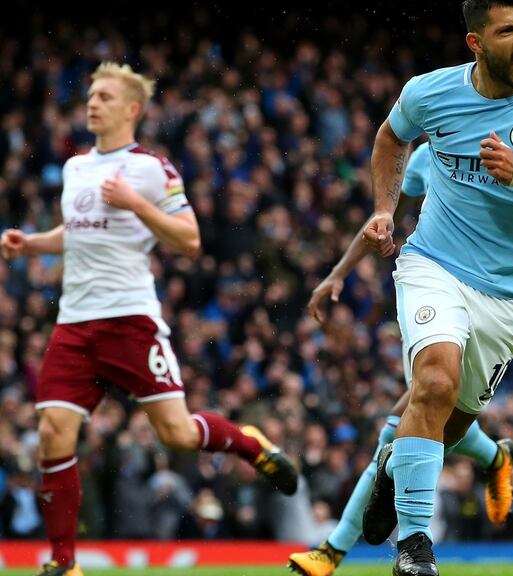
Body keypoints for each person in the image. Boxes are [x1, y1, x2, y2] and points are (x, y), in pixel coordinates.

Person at [0, 62, 298, 576]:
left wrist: (136, 202)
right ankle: (64, 563)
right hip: (75, 324)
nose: (92, 103)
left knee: (178, 436)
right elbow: (78, 232)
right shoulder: (75, 168)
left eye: (105, 97)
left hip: (130, 321)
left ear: (132, 109)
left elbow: (189, 238)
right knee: (52, 432)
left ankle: (251, 444)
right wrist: (33, 245)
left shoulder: (151, 169)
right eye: (91, 95)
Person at [359, 1, 513, 572]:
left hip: (507, 293)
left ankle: (392, 467)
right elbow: (390, 139)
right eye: (508, 30)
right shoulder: (430, 92)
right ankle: (415, 546)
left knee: (452, 423)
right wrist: (384, 208)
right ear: (476, 43)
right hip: (433, 263)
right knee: (435, 381)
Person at [289, 142, 513, 575]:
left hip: (499, 308)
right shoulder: (432, 155)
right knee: (411, 416)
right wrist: (340, 271)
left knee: (436, 425)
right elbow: (384, 218)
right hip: (437, 290)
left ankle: (493, 457)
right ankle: (335, 551)